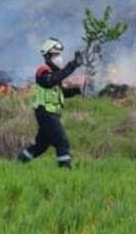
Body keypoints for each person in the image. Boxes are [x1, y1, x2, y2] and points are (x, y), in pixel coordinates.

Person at [17, 37, 86, 169]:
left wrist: (77, 89)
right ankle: (65, 170)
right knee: (62, 141)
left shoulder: (55, 74)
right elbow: (49, 82)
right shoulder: (43, 71)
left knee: (41, 146)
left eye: (59, 54)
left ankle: (18, 164)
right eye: (56, 55)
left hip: (51, 113)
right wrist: (72, 65)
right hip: (45, 113)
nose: (59, 58)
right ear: (48, 56)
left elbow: (61, 93)